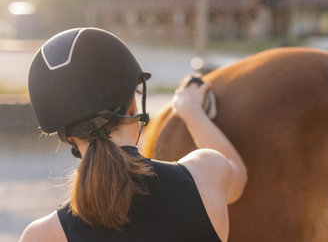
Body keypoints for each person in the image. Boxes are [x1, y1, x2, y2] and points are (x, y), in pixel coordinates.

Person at [20, 28, 247, 242]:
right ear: (133, 106)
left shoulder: (42, 236)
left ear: (67, 136)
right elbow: (238, 174)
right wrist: (191, 112)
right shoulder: (207, 173)